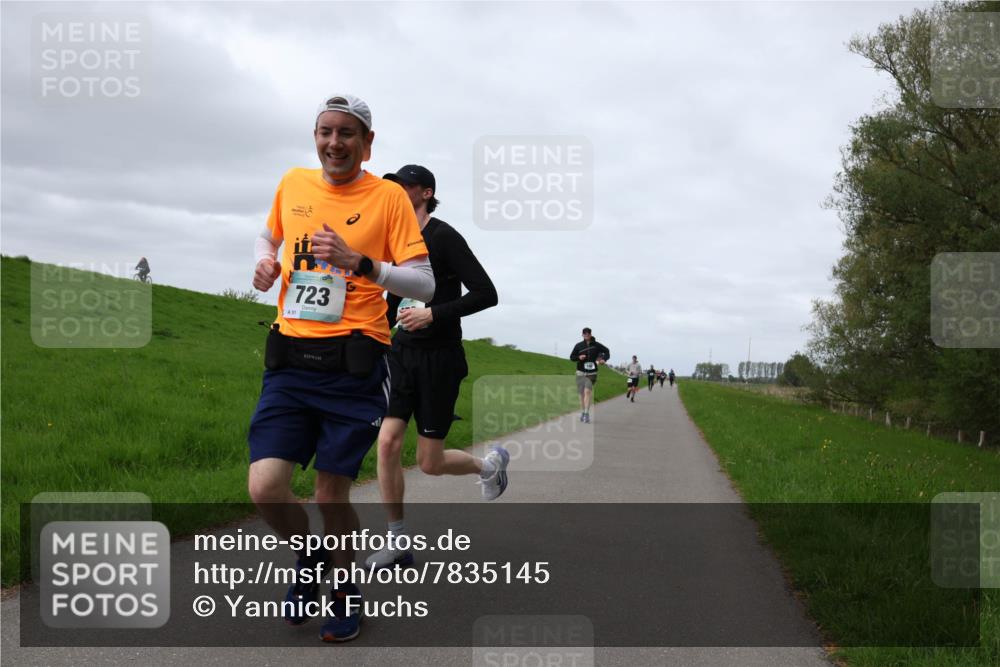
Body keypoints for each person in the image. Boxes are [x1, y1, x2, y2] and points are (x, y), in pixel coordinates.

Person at [247, 94, 434, 643]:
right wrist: (263, 261)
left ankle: (346, 589)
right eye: (325, 131)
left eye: (347, 133)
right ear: (316, 136)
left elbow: (423, 283)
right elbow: (269, 235)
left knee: (332, 494)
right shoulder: (294, 183)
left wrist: (362, 263)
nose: (334, 142)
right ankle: (311, 557)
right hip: (288, 359)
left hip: (353, 365)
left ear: (367, 142)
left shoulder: (388, 199)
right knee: (265, 487)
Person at [365, 164, 502, 570]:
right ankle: (396, 542)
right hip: (400, 355)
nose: (394, 195)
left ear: (424, 193)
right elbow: (389, 304)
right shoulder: (394, 242)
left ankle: (488, 466)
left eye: (402, 188)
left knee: (430, 462)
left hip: (440, 358)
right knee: (387, 443)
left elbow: (486, 293)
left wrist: (434, 314)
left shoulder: (443, 237)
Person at [569, 327, 609, 423]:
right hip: (580, 372)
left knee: (587, 392)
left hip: (592, 372)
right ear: (582, 334)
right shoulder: (578, 346)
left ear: (590, 334)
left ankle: (586, 414)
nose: (586, 335)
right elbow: (572, 357)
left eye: (588, 333)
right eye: (585, 333)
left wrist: (604, 359)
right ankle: (583, 412)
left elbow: (607, 351)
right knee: (581, 394)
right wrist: (579, 357)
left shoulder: (596, 345)